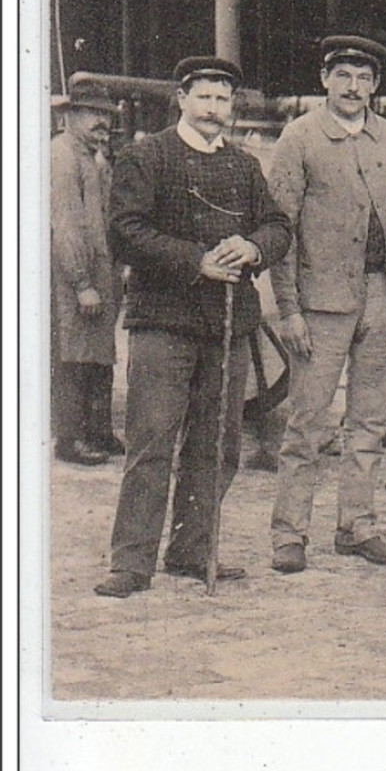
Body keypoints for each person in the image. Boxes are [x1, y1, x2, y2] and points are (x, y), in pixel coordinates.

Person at [94, 57, 292, 598]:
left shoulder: (246, 167)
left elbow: (277, 225)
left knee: (217, 446)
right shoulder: (146, 156)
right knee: (152, 442)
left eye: (223, 99)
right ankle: (132, 563)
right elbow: (125, 232)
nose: (214, 109)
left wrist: (253, 247)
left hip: (227, 327)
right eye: (204, 97)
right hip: (163, 323)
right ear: (181, 99)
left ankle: (191, 550)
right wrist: (195, 260)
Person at [267, 35, 386, 574]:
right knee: (307, 422)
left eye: (365, 78)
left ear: (376, 85)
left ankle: (358, 525)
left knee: (370, 420)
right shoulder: (299, 137)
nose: (354, 87)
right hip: (321, 302)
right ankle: (289, 534)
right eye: (344, 75)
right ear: (325, 79)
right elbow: (281, 229)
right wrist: (290, 309)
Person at [51, 95, 123, 466]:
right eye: (94, 114)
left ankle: (99, 431)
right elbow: (66, 225)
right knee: (74, 355)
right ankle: (70, 438)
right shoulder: (62, 155)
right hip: (74, 275)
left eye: (107, 115)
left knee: (99, 352)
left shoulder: (91, 157)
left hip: (99, 270)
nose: (103, 123)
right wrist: (81, 282)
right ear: (70, 115)